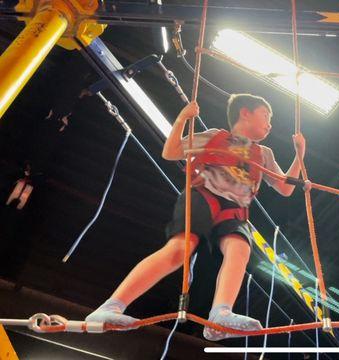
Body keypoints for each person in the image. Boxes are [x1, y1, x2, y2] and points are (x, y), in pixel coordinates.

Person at [86, 94, 306, 341]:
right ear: (245, 113)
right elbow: (171, 152)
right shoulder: (215, 136)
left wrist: (299, 155)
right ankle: (111, 306)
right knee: (180, 249)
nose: (270, 124)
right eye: (266, 116)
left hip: (234, 209)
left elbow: (285, 188)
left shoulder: (264, 153)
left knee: (240, 250)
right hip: (205, 195)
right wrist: (182, 118)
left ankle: (220, 315)